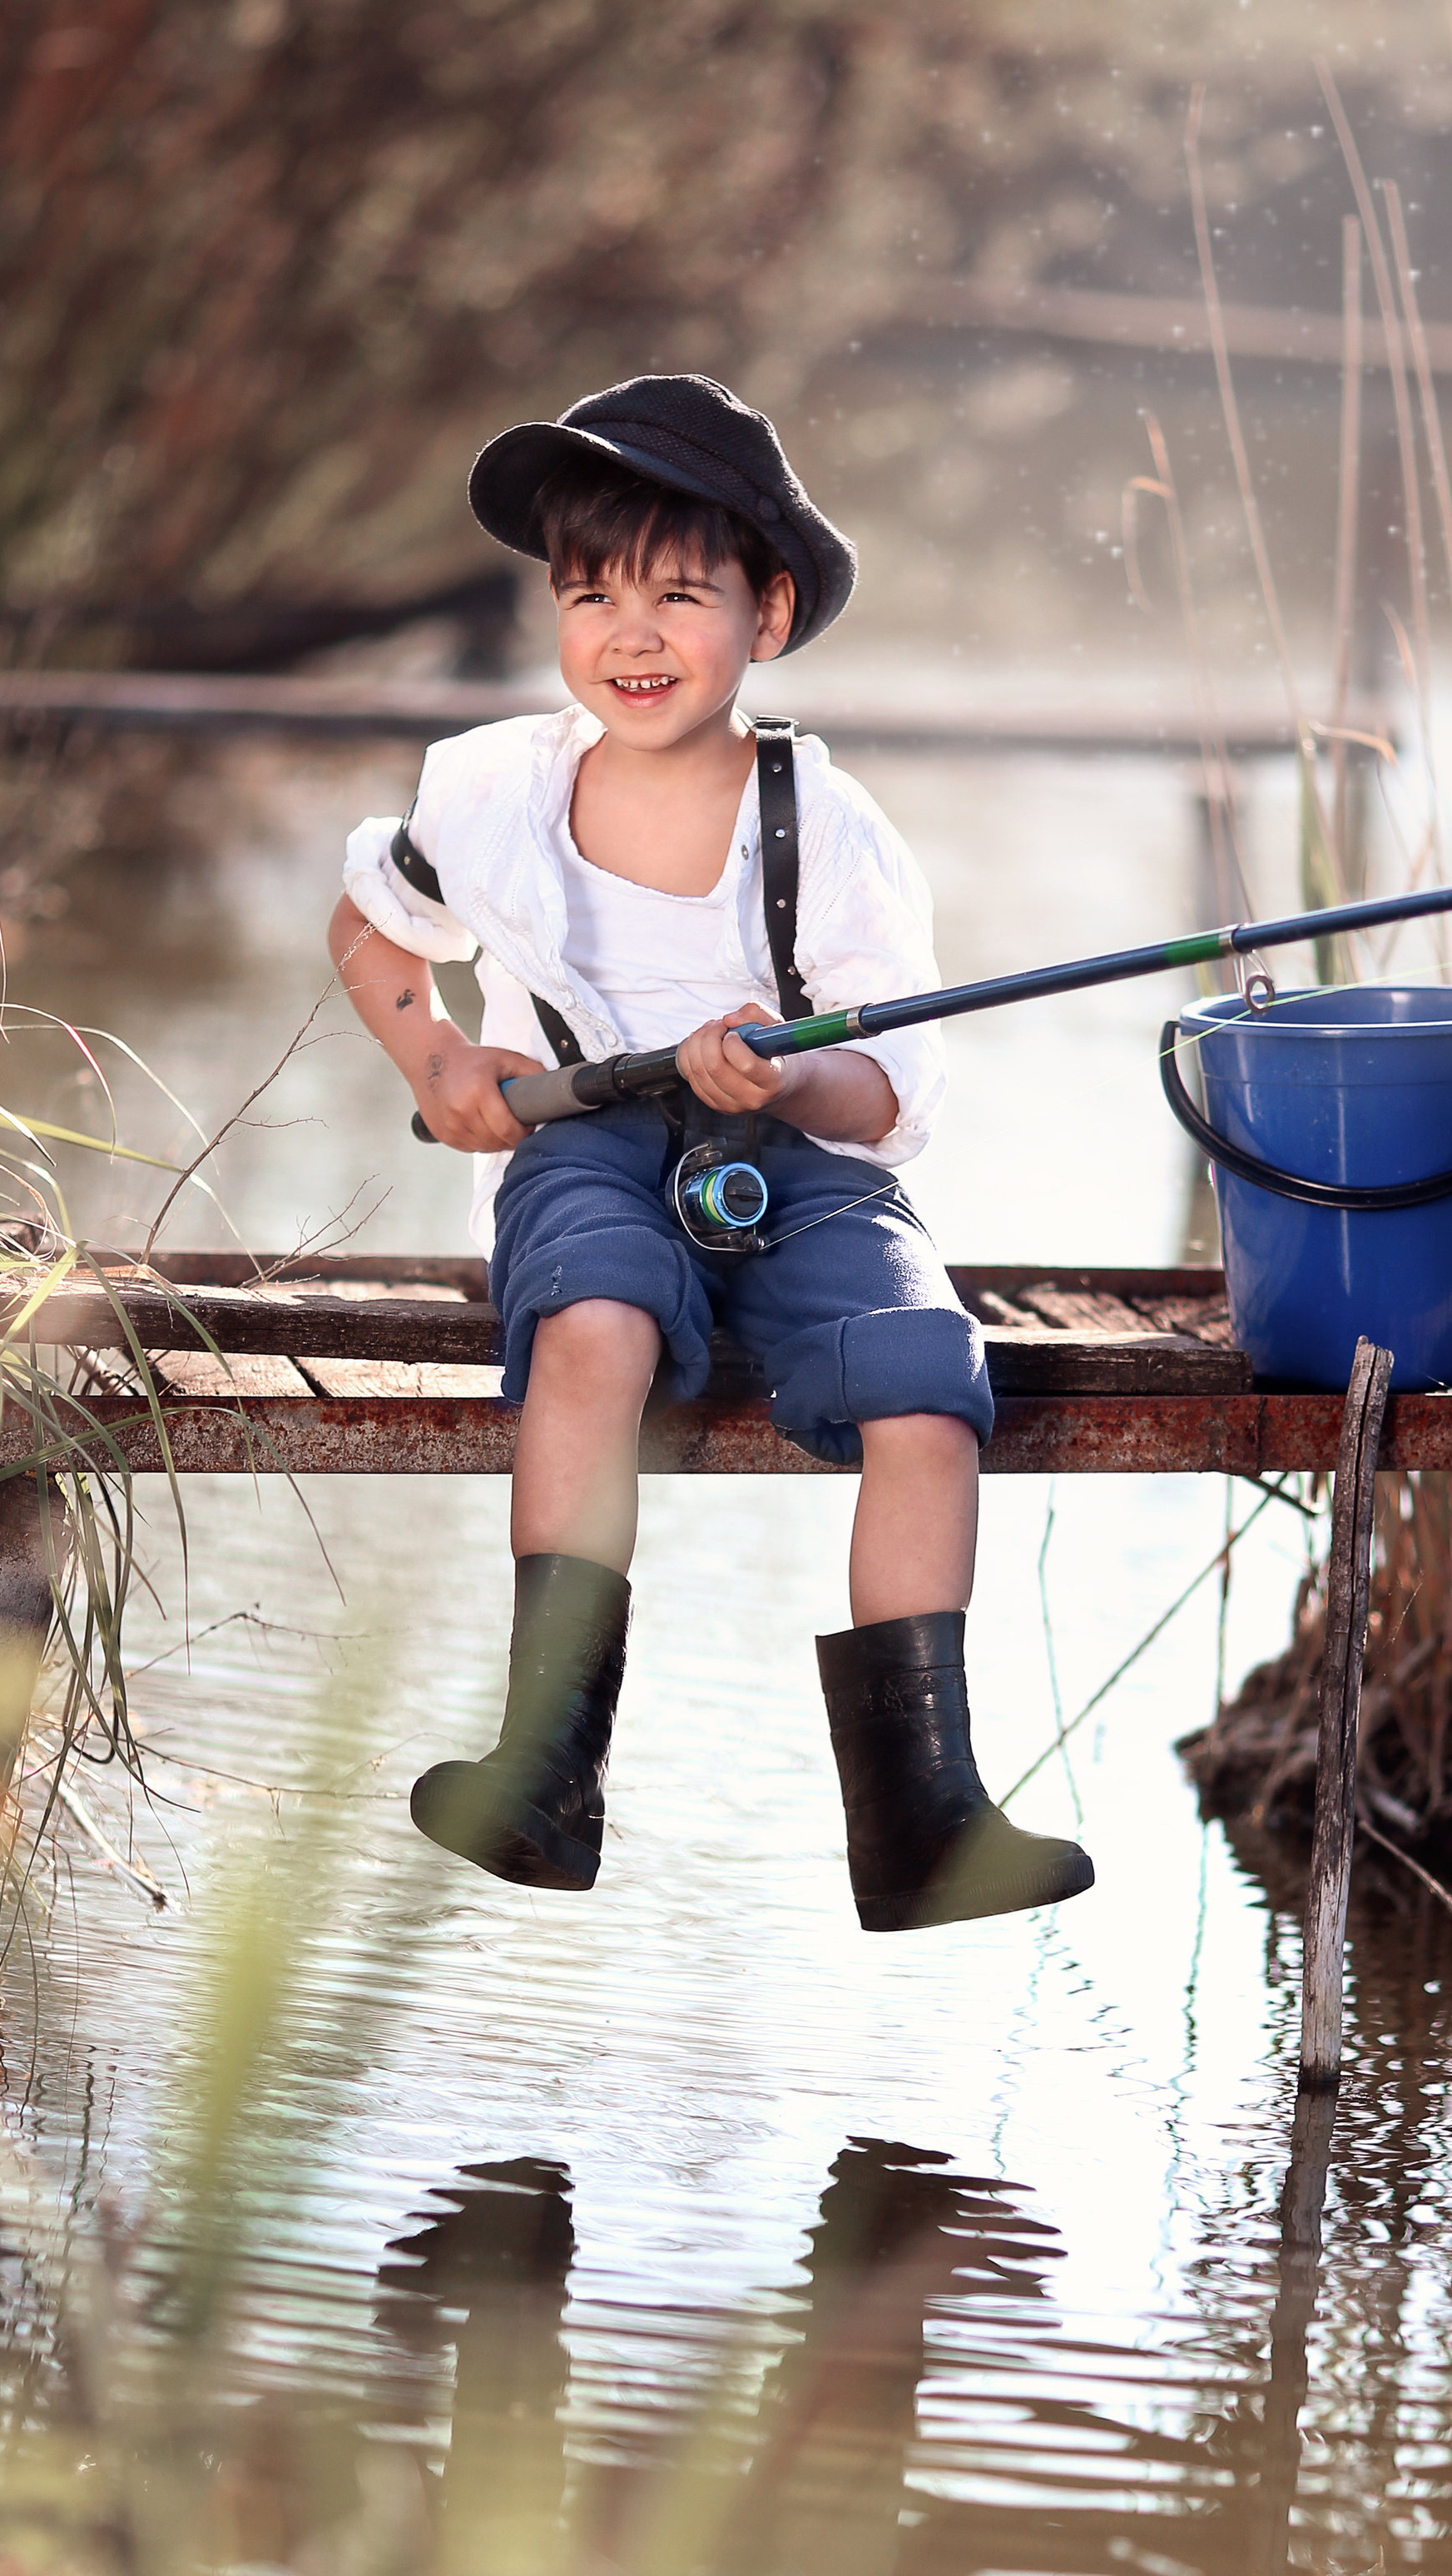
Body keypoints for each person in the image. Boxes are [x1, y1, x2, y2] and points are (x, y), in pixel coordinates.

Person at [330, 374, 1091, 1931]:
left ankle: (925, 1817)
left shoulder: (832, 825)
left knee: (928, 1381)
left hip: (803, 1167)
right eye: (593, 596)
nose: (633, 634)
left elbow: (894, 1093)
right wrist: (443, 1061)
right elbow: (372, 932)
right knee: (595, 1325)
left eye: (680, 596)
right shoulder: (489, 790)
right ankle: (546, 1770)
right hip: (585, 1150)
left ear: (770, 611)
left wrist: (794, 1077)